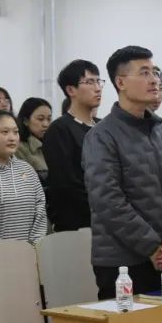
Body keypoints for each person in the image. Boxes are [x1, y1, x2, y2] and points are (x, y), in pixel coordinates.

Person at [84, 46, 162, 298]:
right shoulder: (101, 136)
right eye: (144, 73)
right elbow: (107, 200)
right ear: (120, 82)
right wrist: (152, 247)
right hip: (122, 261)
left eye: (155, 72)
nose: (154, 80)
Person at [44, 59, 103, 232]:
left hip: (110, 220)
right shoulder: (59, 129)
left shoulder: (105, 127)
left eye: (99, 81)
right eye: (90, 82)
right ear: (71, 90)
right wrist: (106, 205)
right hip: (78, 223)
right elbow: (67, 183)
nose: (98, 88)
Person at [0, 110, 48, 244]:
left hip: (31, 251)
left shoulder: (26, 169)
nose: (12, 138)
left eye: (15, 132)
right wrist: (3, 250)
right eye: (5, 132)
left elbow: (40, 208)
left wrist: (34, 246)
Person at [15, 97, 52, 185]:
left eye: (49, 119)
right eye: (40, 119)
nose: (46, 124)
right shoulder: (19, 148)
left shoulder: (53, 144)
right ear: (26, 121)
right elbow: (24, 180)